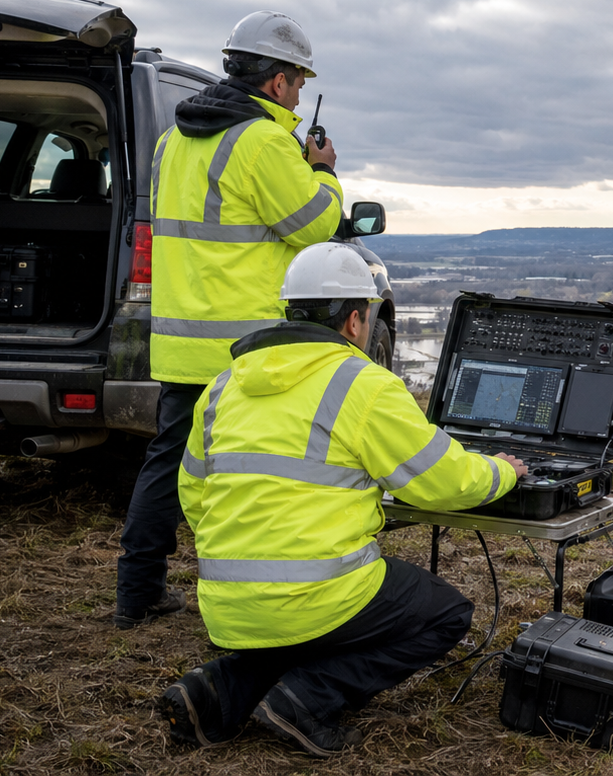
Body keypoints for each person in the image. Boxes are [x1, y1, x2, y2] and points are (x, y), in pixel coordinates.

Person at [160, 243, 527, 756]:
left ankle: (217, 690)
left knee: (306, 624)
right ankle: (309, 700)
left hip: (226, 605)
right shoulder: (363, 385)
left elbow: (194, 495)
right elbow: (444, 480)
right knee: (445, 613)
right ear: (355, 320)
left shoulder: (222, 387)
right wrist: (503, 471)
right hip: (315, 597)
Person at [114, 11, 344, 629]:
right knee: (267, 467)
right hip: (247, 348)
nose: (299, 95)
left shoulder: (173, 140)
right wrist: (322, 170)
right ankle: (273, 592)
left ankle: (138, 592)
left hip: (181, 341)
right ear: (277, 80)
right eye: (299, 82)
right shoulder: (263, 142)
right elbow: (314, 226)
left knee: (168, 464)